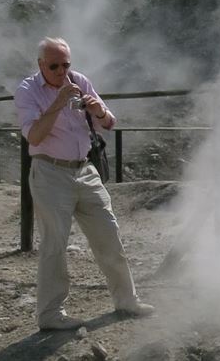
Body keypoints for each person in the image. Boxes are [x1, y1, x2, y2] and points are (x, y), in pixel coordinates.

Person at [14, 37, 153, 332]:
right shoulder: (28, 90)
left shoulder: (80, 81)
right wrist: (58, 102)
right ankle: (51, 314)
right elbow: (34, 136)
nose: (62, 72)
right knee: (54, 245)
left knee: (109, 235)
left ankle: (126, 300)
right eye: (54, 66)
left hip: (85, 170)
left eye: (66, 65)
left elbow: (109, 122)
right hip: (50, 172)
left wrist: (98, 111)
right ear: (40, 65)